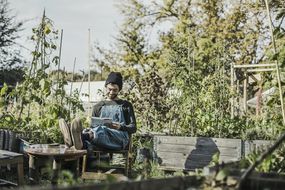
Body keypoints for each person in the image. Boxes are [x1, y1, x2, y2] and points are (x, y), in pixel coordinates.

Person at [59, 72, 136, 151]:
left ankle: (75, 138)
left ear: (119, 89)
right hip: (100, 138)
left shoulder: (126, 105)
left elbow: (133, 128)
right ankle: (80, 141)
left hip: (119, 139)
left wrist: (120, 127)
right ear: (106, 87)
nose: (111, 92)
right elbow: (94, 127)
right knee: (90, 131)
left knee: (101, 130)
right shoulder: (98, 106)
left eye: (115, 90)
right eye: (109, 89)